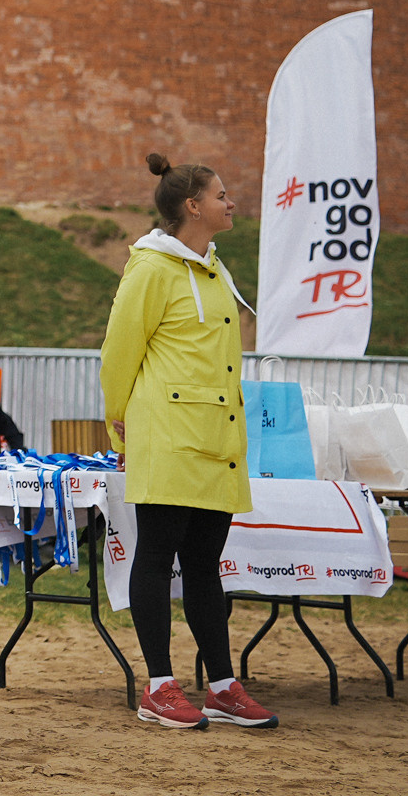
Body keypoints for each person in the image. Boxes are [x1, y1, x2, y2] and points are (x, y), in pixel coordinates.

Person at [103, 153, 276, 732]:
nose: (232, 203)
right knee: (155, 555)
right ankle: (158, 686)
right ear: (193, 206)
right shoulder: (151, 268)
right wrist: (117, 423)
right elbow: (119, 350)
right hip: (167, 435)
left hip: (215, 438)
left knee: (205, 565)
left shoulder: (212, 268)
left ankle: (223, 687)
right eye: (223, 194)